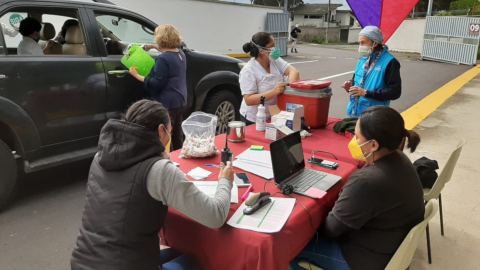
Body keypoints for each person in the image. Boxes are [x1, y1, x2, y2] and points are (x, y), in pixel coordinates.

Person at [71, 100, 234, 270]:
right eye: (170, 132)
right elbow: (215, 216)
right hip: (125, 264)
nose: (169, 138)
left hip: (84, 262)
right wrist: (225, 181)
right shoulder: (158, 170)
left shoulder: (100, 158)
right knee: (199, 262)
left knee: (178, 253)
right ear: (161, 130)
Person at [290, 106, 424, 270]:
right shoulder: (400, 158)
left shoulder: (367, 181)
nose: (354, 141)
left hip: (365, 259)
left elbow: (330, 230)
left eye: (357, 137)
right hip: (392, 248)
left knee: (290, 249)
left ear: (373, 144)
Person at [130, 24, 187, 151]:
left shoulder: (163, 59)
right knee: (177, 133)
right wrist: (151, 47)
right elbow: (166, 50)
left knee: (166, 135)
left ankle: (170, 160)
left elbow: (156, 83)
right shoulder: (180, 54)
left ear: (160, 38)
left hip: (167, 103)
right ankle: (180, 156)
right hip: (180, 101)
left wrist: (137, 75)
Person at [240, 32, 300, 125]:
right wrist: (274, 92)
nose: (275, 49)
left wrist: (290, 91)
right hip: (254, 119)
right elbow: (249, 100)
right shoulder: (249, 70)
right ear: (261, 50)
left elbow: (294, 72)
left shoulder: (275, 61)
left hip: (274, 115)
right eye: (272, 46)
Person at [343, 26, 401, 117]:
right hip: (355, 112)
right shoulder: (362, 59)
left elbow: (395, 92)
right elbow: (356, 81)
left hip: (374, 117)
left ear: (375, 43)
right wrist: (350, 85)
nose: (360, 46)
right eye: (359, 43)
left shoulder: (390, 62)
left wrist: (366, 93)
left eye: (363, 42)